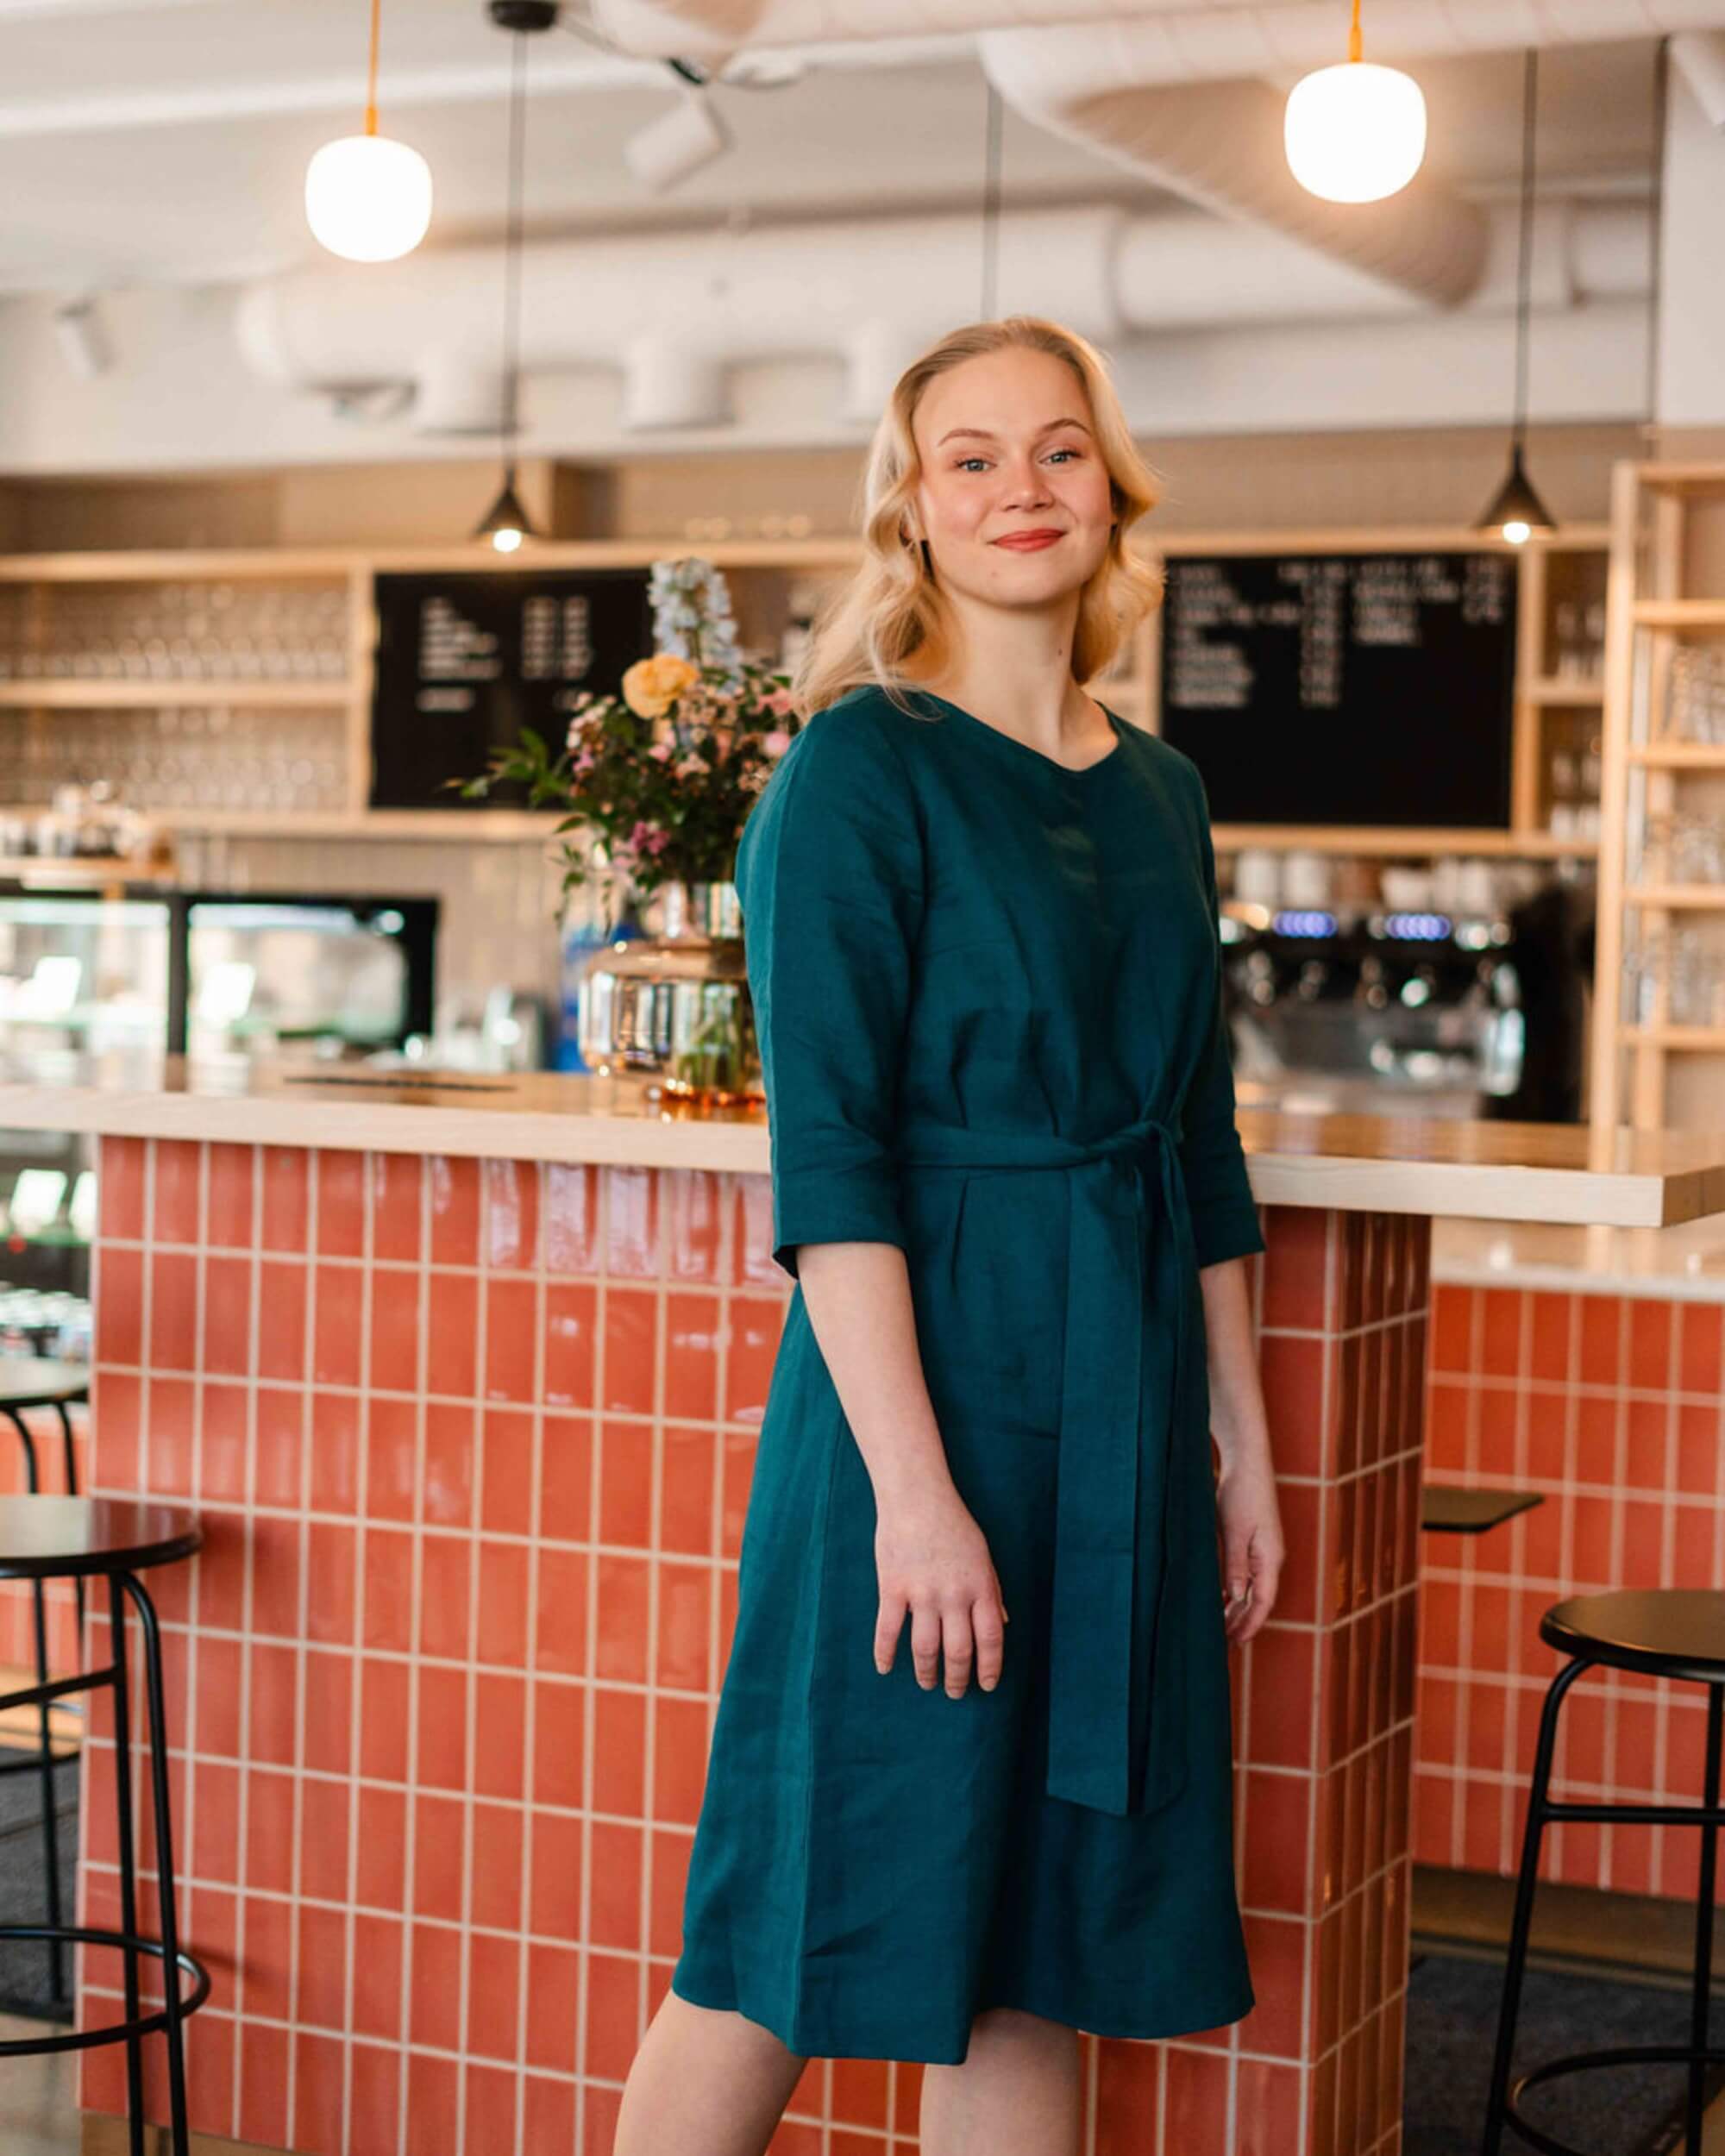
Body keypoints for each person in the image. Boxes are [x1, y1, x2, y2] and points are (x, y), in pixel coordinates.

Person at [615, 317, 1284, 2156]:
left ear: (1111, 491)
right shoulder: (855, 770)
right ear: (911, 509)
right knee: (783, 1912)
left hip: (1121, 1408)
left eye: (1056, 449)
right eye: (969, 455)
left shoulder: (1160, 789)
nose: (1018, 488)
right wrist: (913, 1493)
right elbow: (830, 1166)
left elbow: (1199, 1136)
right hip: (919, 1411)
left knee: (1036, 1934)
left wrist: (1239, 1434)